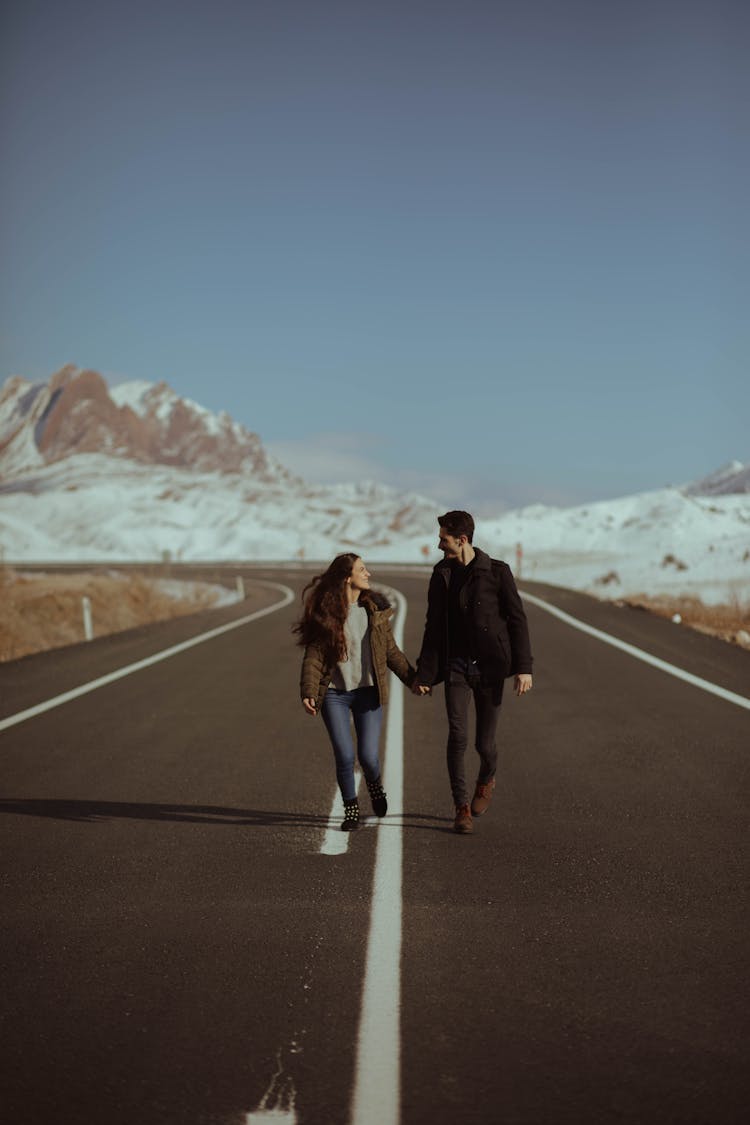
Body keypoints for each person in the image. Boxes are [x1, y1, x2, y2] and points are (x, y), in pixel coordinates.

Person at [413, 511, 533, 834]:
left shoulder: (497, 573)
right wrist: (425, 674)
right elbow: (433, 626)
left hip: (491, 667)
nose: (439, 545)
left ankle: (487, 776)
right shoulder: (442, 574)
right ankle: (461, 807)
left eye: (443, 539)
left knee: (484, 745)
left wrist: (523, 668)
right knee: (457, 736)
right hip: (456, 667)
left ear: (461, 540)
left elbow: (518, 620)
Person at [294, 553, 418, 831]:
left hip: (368, 693)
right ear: (347, 577)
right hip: (335, 695)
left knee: (369, 757)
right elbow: (313, 656)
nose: (368, 574)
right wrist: (309, 691)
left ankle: (375, 786)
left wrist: (413, 680)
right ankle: (351, 809)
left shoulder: (374, 611)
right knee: (345, 755)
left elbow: (391, 652)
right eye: (362, 569)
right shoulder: (327, 614)